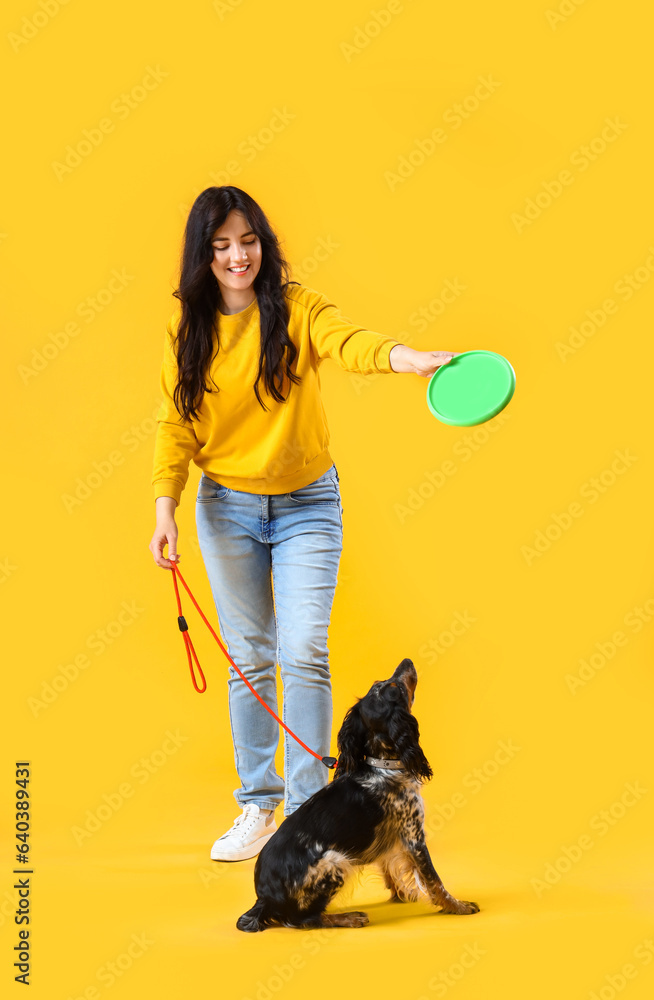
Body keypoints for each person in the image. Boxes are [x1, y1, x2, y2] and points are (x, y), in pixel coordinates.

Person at [148, 186, 456, 861]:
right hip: (224, 507)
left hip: (306, 504)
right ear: (202, 255)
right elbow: (176, 425)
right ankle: (258, 808)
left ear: (264, 242)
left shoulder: (296, 308)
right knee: (249, 659)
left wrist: (409, 358)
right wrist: (164, 507)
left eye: (248, 239)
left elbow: (350, 342)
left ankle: (310, 815)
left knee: (302, 651)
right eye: (221, 244)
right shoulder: (188, 328)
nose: (238, 255)